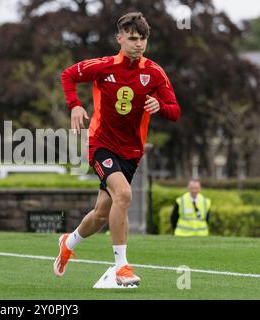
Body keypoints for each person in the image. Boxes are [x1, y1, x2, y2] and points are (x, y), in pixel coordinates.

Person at [55, 12, 181, 286]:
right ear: (120, 38)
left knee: (102, 212)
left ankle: (69, 241)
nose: (138, 44)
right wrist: (74, 104)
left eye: (143, 38)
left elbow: (176, 111)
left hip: (131, 152)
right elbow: (68, 75)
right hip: (101, 144)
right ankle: (122, 266)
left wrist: (161, 107)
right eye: (133, 38)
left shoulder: (154, 72)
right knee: (124, 194)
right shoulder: (103, 66)